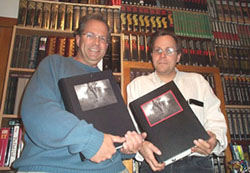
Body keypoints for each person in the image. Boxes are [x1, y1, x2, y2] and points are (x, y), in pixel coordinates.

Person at [13, 12, 146, 173]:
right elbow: (38, 111)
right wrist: (91, 141)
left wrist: (127, 147)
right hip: (56, 167)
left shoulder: (109, 83)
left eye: (103, 39)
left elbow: (114, 137)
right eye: (90, 35)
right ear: (77, 39)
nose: (97, 43)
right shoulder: (55, 64)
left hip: (112, 168)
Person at [126, 30, 228, 173]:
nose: (162, 55)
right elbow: (131, 129)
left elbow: (216, 120)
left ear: (178, 56)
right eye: (158, 50)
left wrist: (214, 140)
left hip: (197, 163)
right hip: (155, 164)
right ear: (151, 55)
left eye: (169, 50)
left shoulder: (197, 82)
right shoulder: (137, 86)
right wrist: (141, 146)